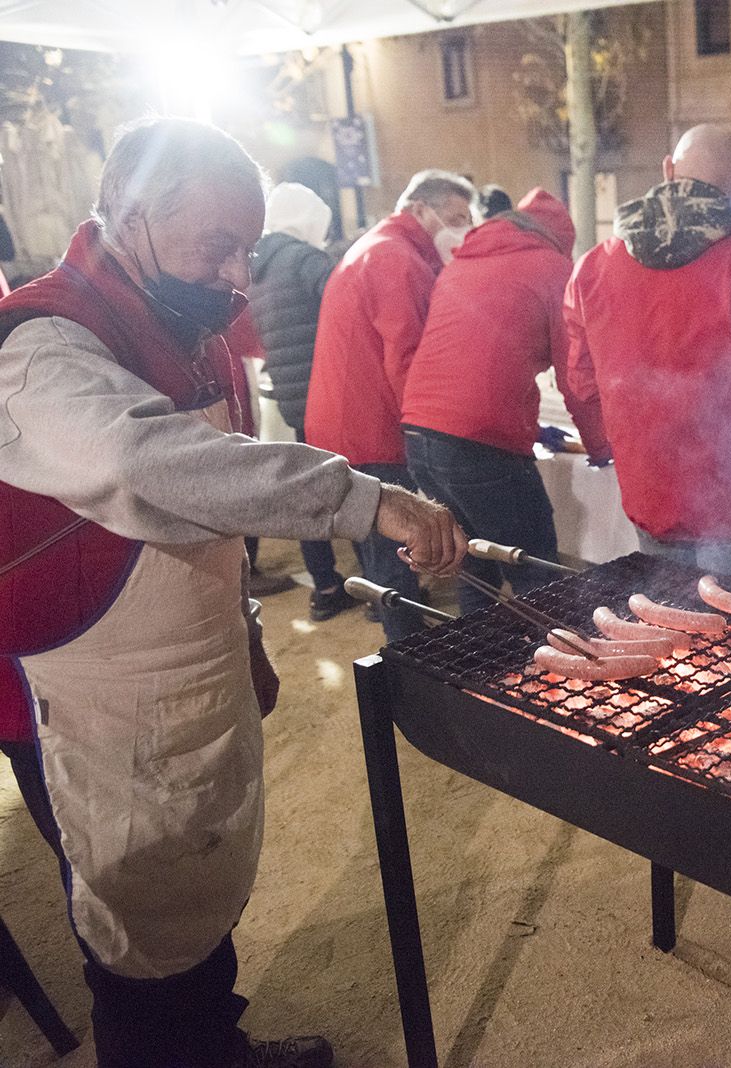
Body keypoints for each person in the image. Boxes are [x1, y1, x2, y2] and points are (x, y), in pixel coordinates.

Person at [0, 118, 467, 1068]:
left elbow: (222, 500)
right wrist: (359, 499)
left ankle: (220, 1047)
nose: (238, 276)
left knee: (197, 895)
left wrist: (244, 630)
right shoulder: (39, 344)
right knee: (135, 932)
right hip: (86, 694)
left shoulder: (193, 330)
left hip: (191, 669)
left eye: (246, 248)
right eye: (219, 245)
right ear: (131, 218)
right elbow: (143, 464)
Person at [563, 124, 731, 580]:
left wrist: (610, 448)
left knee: (669, 631)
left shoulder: (593, 265)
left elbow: (581, 383)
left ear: (669, 170)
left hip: (648, 494)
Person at [403, 188, 604, 612]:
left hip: (419, 433)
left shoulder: (463, 261)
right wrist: (602, 444)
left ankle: (481, 666)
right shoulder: (553, 268)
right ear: (559, 239)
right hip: (478, 443)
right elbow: (576, 377)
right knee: (537, 570)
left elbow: (479, 354)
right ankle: (553, 663)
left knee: (475, 563)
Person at [305, 168, 475, 640]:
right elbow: (408, 358)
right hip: (370, 428)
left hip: (347, 421)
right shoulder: (396, 258)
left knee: (382, 558)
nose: (461, 226)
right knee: (397, 558)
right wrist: (432, 433)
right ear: (419, 208)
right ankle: (412, 663)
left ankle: (405, 645)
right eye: (454, 216)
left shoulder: (378, 247)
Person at [249, 181, 357, 620]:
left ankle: (325, 586)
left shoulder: (261, 267)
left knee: (311, 489)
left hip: (294, 396)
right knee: (356, 484)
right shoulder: (305, 260)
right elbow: (347, 307)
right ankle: (376, 591)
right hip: (330, 390)